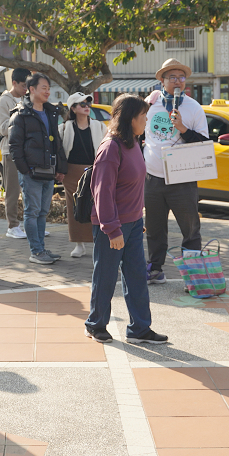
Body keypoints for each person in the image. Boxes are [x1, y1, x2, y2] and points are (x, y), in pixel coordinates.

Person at [85, 94, 167, 345]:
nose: (146, 121)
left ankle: (140, 328)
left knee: (136, 278)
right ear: (131, 118)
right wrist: (112, 229)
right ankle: (96, 324)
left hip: (132, 224)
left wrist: (135, 221)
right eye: (143, 116)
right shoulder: (111, 148)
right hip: (112, 226)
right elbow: (102, 193)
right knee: (106, 277)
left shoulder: (133, 143)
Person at [142, 59, 209, 285]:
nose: (178, 81)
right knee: (154, 227)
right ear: (162, 80)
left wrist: (182, 128)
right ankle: (155, 269)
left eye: (181, 77)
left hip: (183, 179)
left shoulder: (193, 107)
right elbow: (138, 133)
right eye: (172, 77)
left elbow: (203, 144)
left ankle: (193, 276)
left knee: (190, 229)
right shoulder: (150, 105)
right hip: (152, 177)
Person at [9, 73, 67, 265]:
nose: (48, 92)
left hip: (48, 171)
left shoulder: (51, 112)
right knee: (32, 211)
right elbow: (14, 145)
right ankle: (36, 251)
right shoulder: (20, 114)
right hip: (31, 172)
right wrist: (25, 170)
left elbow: (56, 142)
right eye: (44, 88)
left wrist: (60, 168)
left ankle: (41, 249)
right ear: (31, 89)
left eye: (49, 88)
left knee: (43, 212)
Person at [60, 92, 105, 258]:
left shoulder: (99, 126)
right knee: (74, 208)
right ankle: (78, 244)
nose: (86, 107)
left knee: (96, 207)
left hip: (94, 171)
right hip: (71, 172)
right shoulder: (64, 128)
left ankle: (96, 241)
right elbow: (60, 153)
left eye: (88, 104)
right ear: (73, 108)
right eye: (82, 104)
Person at [0, 68, 29, 240]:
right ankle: (12, 225)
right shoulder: (3, 101)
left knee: (29, 190)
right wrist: (21, 119)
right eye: (23, 85)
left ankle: (30, 225)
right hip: (11, 150)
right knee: (13, 191)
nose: (26, 89)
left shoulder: (27, 99)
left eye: (28, 86)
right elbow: (2, 127)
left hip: (28, 150)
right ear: (14, 83)